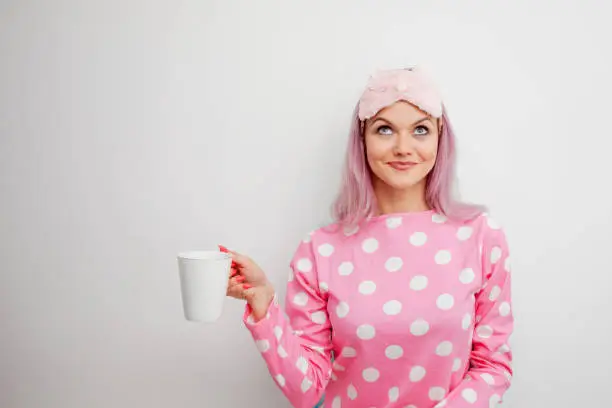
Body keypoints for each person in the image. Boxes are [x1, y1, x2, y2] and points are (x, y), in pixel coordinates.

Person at [224, 66, 514, 408]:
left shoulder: (481, 238)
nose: (403, 147)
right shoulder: (319, 251)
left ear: (439, 136)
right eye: (385, 129)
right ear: (362, 139)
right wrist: (263, 303)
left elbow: (493, 367)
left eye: (420, 129)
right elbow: (307, 391)